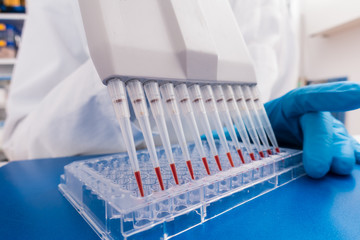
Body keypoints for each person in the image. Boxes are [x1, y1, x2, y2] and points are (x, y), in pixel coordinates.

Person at [2, 0, 360, 179]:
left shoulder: (276, 7)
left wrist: (269, 129)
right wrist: (125, 80)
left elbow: (263, 98)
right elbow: (20, 144)